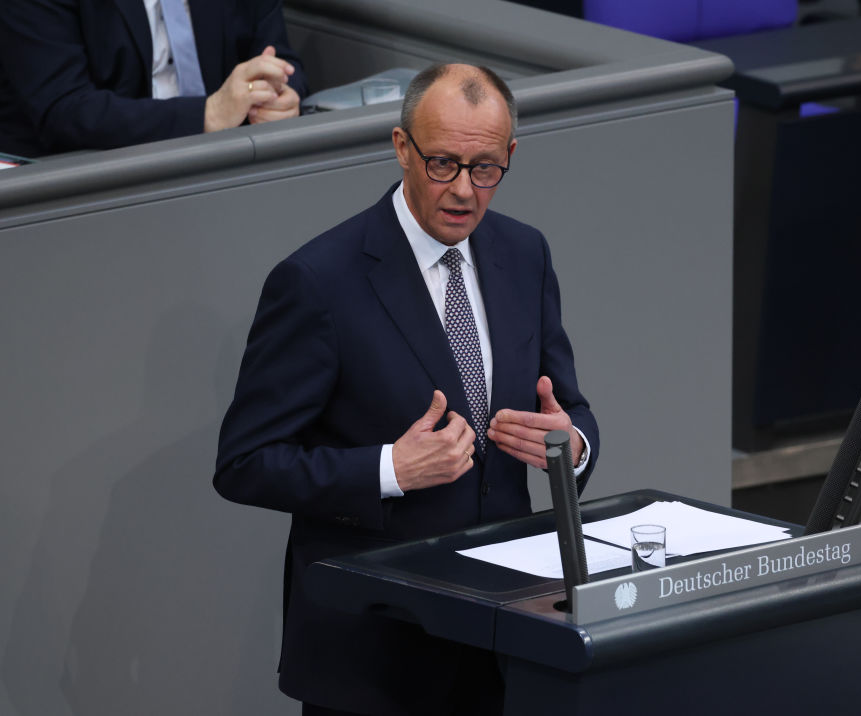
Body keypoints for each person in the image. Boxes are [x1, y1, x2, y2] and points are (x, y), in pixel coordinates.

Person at [213, 63, 599, 715]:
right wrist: (391, 468)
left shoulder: (524, 254)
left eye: (484, 169)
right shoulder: (318, 282)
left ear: (509, 157)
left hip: (503, 643)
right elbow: (245, 464)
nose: (464, 190)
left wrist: (573, 445)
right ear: (401, 148)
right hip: (375, 659)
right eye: (442, 163)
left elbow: (566, 404)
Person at [0, 0, 307, 157]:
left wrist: (279, 95)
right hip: (91, 181)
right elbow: (64, 109)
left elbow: (278, 53)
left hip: (230, 157)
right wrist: (208, 114)